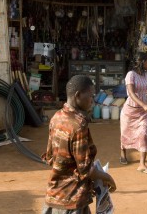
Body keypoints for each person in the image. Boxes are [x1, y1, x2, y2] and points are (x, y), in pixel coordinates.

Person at [41, 75, 116, 214]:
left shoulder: (56, 117)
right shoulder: (78, 125)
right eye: (90, 96)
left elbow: (50, 157)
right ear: (78, 95)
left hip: (54, 195)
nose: (92, 100)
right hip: (72, 200)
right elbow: (85, 169)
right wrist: (107, 178)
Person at [119, 52, 147, 174]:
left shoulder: (146, 74)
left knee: (143, 134)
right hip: (130, 110)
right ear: (142, 61)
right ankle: (123, 152)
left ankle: (142, 164)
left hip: (143, 112)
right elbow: (131, 93)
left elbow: (145, 90)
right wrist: (144, 104)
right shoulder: (131, 75)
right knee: (125, 133)